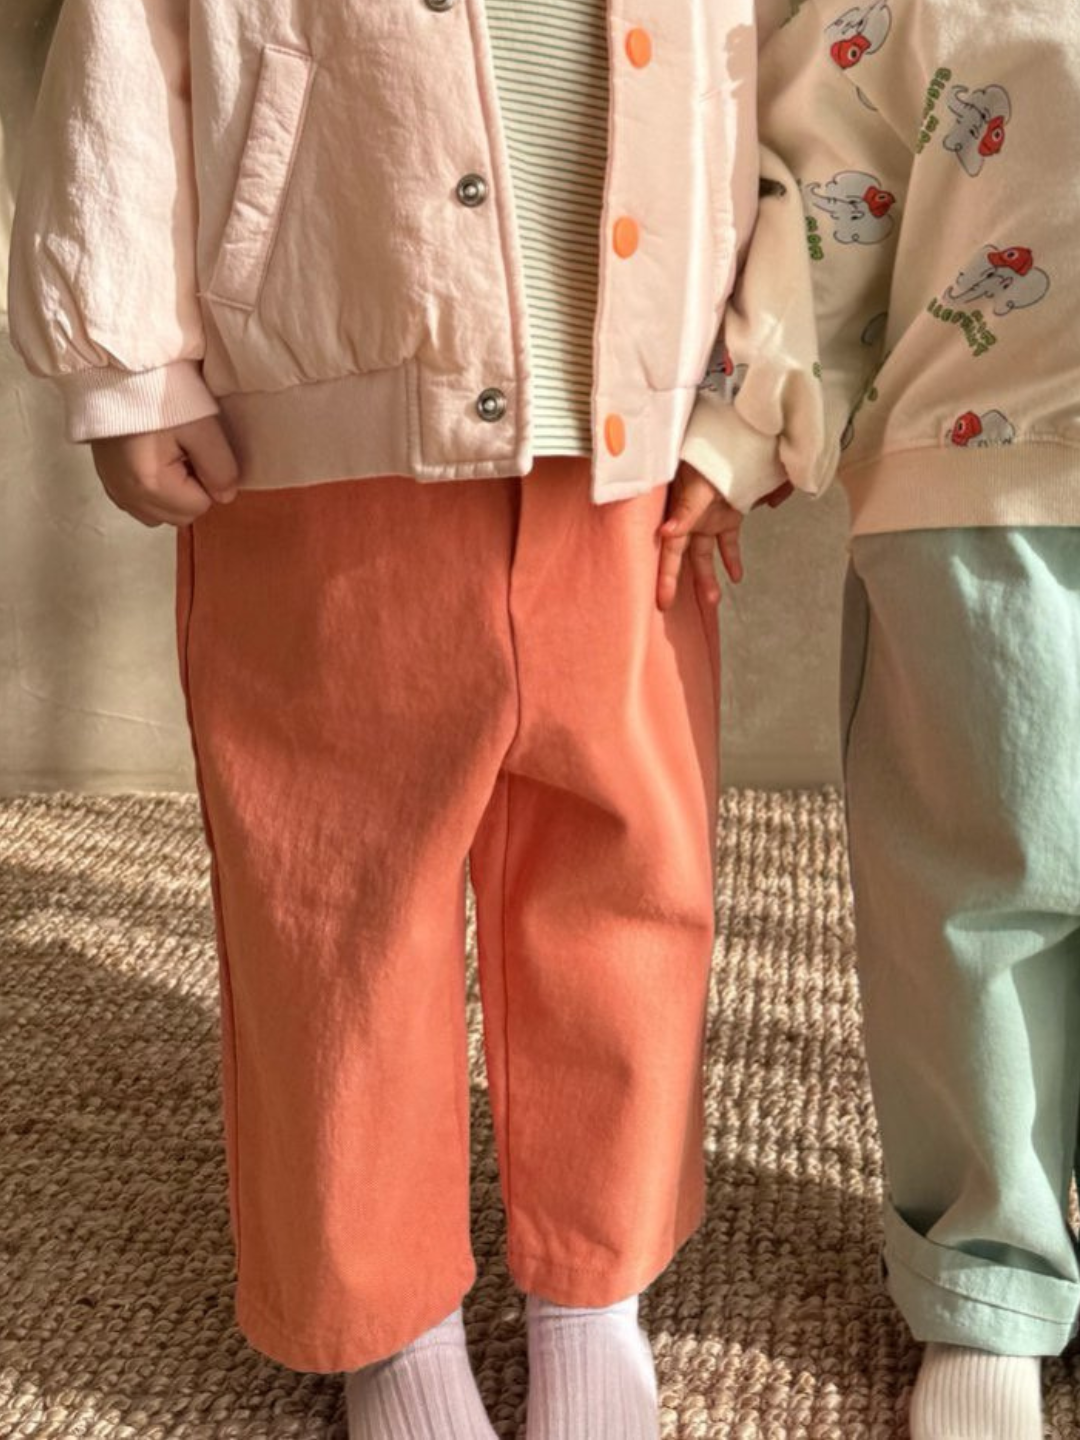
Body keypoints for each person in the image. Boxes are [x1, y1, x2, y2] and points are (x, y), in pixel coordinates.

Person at [7, 2, 771, 1434]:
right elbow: (120, 42)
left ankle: (592, 1287)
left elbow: (747, 68)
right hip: (325, 410)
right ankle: (391, 1318)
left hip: (625, 435)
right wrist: (124, 358)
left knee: (627, 874)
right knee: (337, 889)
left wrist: (742, 376)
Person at [681, 1, 1080, 1435]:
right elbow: (825, 191)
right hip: (971, 482)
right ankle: (989, 1274)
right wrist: (741, 428)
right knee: (972, 894)